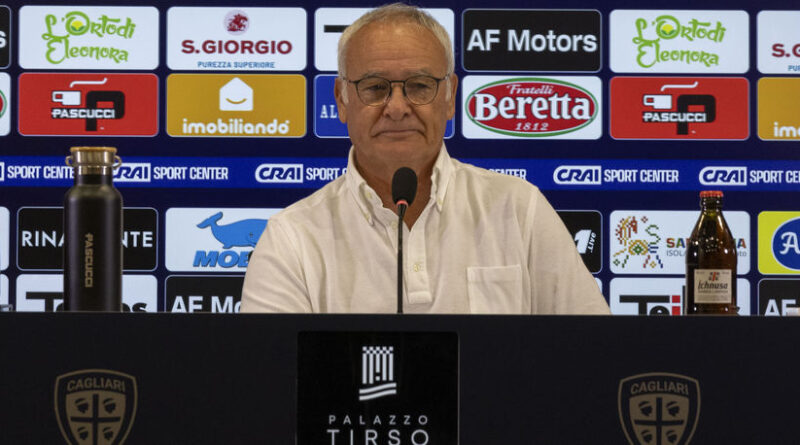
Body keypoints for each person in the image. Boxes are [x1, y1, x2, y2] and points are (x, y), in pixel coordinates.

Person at [241, 3, 610, 314]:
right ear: (341, 99)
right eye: (375, 87)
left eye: (419, 86)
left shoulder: (519, 208)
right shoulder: (291, 238)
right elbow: (273, 386)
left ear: (449, 96)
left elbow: (590, 357)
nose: (397, 107)